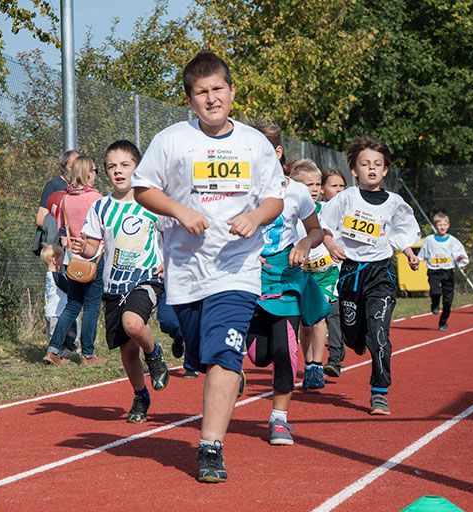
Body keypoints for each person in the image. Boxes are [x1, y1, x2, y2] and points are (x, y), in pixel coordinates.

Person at [132, 51, 284, 483]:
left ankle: (210, 446)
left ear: (232, 92)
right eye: (202, 92)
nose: (212, 98)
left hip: (237, 267)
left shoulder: (254, 143)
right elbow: (144, 187)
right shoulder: (172, 140)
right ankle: (216, 367)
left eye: (219, 89)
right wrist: (180, 212)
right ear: (190, 99)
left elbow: (274, 197)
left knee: (223, 354)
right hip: (187, 270)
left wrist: (255, 218)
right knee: (199, 353)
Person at [319, 136, 421, 416]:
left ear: (385, 170)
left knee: (379, 334)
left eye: (378, 164)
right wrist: (331, 244)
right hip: (351, 272)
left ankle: (379, 391)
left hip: (381, 274)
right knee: (354, 339)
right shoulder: (345, 198)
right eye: (365, 164)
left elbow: (402, 232)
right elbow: (325, 226)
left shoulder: (394, 203)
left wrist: (409, 253)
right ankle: (359, 339)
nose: (372, 169)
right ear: (354, 170)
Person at [72, 140, 170, 422]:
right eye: (111, 166)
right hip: (113, 284)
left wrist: (168, 262)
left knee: (134, 324)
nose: (118, 171)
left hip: (146, 278)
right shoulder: (101, 207)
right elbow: (92, 247)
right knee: (127, 350)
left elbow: (171, 237)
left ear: (137, 168)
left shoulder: (153, 203)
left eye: (125, 165)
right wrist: (83, 249)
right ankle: (140, 395)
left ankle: (154, 353)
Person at [246, 150, 328, 445]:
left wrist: (305, 243)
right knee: (259, 356)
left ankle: (278, 419)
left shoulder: (296, 192)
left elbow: (315, 230)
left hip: (287, 280)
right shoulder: (240, 186)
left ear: (277, 151)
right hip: (250, 280)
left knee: (286, 350)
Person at [46, 155, 106, 366]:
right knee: (91, 307)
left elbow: (62, 227)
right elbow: (104, 226)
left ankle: (53, 349)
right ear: (88, 172)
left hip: (73, 257)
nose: (95, 174)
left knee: (72, 305)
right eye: (95, 170)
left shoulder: (65, 198)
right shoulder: (95, 198)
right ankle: (88, 354)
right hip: (94, 256)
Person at [289, 160, 345, 381]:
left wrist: (332, 247)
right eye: (308, 184)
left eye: (317, 184)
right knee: (307, 323)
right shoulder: (290, 212)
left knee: (320, 316)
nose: (314, 189)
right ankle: (308, 363)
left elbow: (328, 231)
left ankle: (315, 366)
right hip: (303, 273)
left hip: (325, 273)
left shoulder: (326, 210)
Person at [36, 151, 80, 345]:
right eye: (73, 164)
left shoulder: (82, 188)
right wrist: (61, 230)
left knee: (76, 294)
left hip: (79, 250)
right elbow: (40, 218)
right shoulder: (54, 186)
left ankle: (72, 342)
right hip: (60, 250)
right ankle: (57, 344)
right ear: (64, 166)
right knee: (58, 299)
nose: (78, 167)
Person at [417, 212, 469, 331]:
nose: (442, 227)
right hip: (434, 270)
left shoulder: (453, 240)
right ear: (435, 226)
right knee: (435, 292)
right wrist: (417, 262)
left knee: (448, 301)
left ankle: (443, 322)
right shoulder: (429, 240)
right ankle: (435, 303)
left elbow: (460, 254)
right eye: (439, 225)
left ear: (448, 225)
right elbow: (422, 255)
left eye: (444, 224)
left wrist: (460, 257)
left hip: (447, 271)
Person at [40, 244, 80, 364]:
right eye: (62, 258)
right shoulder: (56, 276)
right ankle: (55, 356)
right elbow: (68, 288)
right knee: (57, 334)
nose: (63, 261)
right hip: (56, 312)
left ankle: (63, 352)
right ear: (54, 259)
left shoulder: (51, 275)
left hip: (53, 311)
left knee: (67, 332)